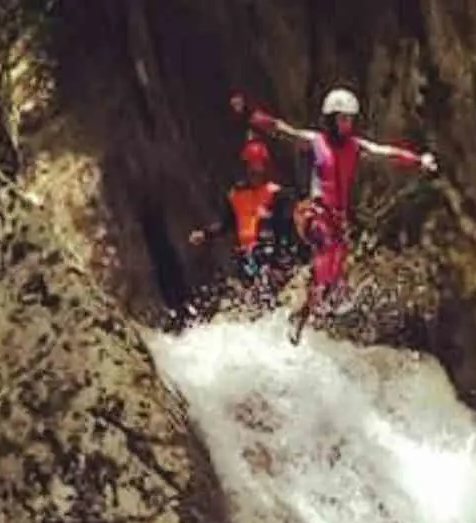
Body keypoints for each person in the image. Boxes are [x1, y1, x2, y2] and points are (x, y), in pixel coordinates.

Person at [248, 86, 438, 342]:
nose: (347, 124)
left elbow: (386, 153)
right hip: (314, 213)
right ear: (330, 119)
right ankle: (303, 311)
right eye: (342, 119)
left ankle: (308, 310)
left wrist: (418, 160)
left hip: (336, 218)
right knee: (326, 250)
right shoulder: (315, 142)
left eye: (350, 119)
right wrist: (253, 115)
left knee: (335, 268)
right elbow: (283, 131)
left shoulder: (355, 147)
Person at [188, 137, 299, 301]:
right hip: (245, 256)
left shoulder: (278, 194)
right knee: (250, 296)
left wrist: (281, 259)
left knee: (271, 294)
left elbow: (286, 230)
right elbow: (227, 223)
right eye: (251, 166)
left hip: (269, 255)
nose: (255, 171)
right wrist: (205, 234)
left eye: (259, 165)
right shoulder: (236, 195)